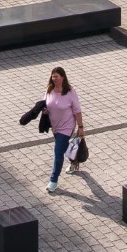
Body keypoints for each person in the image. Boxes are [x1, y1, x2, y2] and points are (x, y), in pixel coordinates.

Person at [19, 66, 82, 194]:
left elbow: (77, 111)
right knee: (63, 149)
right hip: (55, 126)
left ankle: (53, 181)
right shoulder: (49, 90)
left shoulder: (70, 92)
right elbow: (46, 104)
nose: (54, 79)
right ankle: (74, 160)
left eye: (56, 76)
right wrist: (44, 110)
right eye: (53, 76)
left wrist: (80, 127)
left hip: (67, 126)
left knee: (58, 153)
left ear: (63, 77)